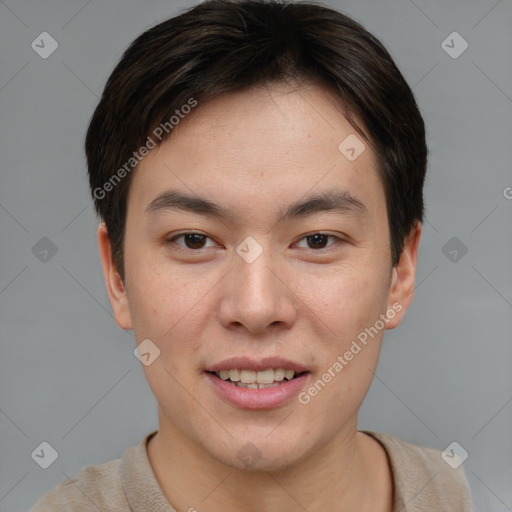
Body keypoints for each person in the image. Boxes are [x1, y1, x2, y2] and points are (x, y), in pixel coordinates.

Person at [32, 0, 475, 510]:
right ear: (117, 274)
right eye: (194, 240)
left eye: (317, 240)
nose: (256, 307)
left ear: (401, 270)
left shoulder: (446, 493)